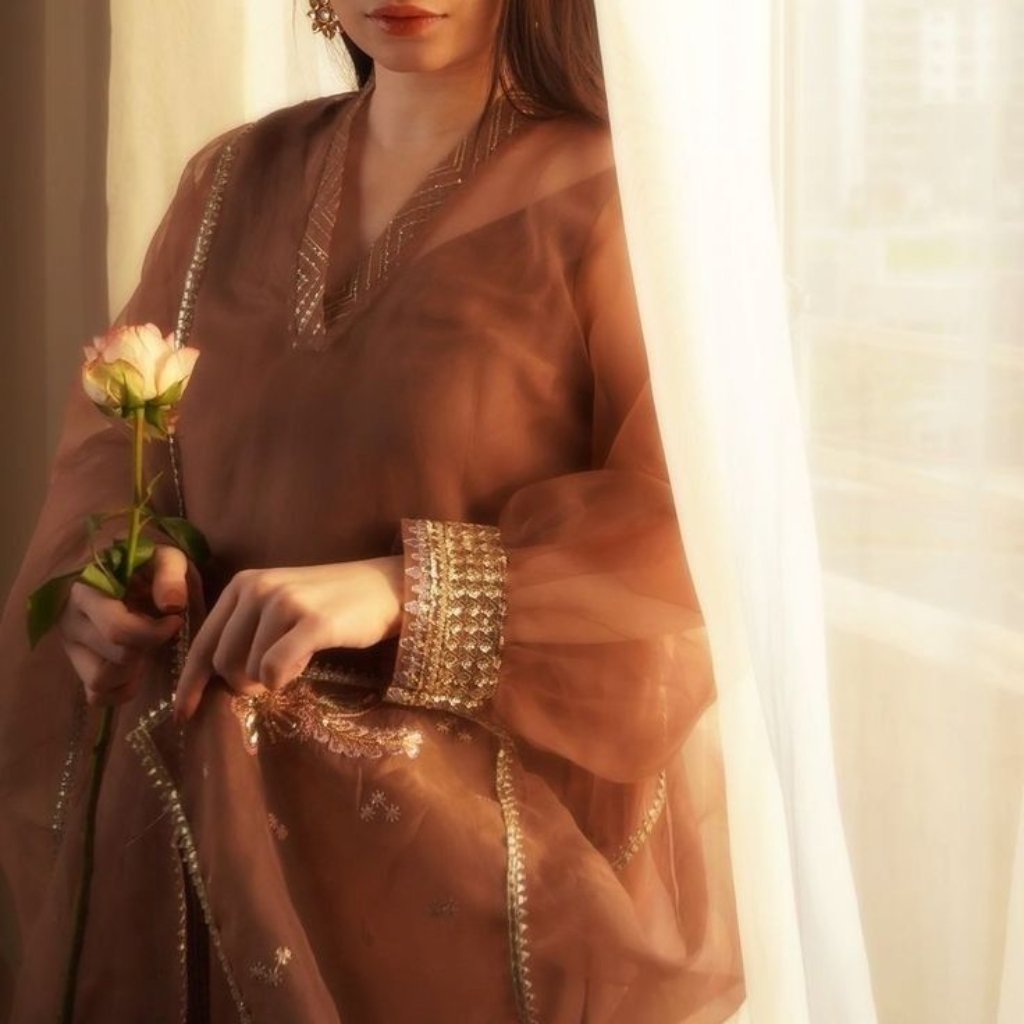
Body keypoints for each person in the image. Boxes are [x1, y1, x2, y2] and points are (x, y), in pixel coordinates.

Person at [0, 1, 746, 1020]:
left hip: (455, 882)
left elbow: (689, 541)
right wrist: (111, 575)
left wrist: (403, 588)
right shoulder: (229, 182)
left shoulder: (615, 200)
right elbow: (118, 453)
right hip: (188, 842)